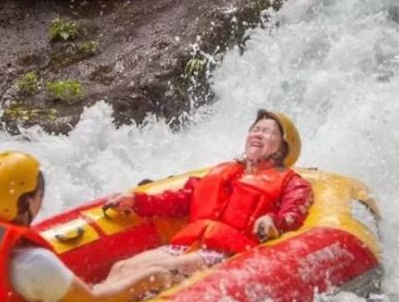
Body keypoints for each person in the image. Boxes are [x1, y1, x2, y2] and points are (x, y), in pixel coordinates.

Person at [0, 151, 173, 302]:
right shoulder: (35, 263)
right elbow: (93, 301)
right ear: (26, 202)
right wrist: (151, 277)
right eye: (39, 191)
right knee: (155, 273)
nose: (42, 196)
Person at [100, 109, 313, 284]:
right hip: (189, 246)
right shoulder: (222, 172)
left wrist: (273, 222)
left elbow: (294, 215)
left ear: (283, 147)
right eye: (255, 129)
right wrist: (136, 202)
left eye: (267, 132)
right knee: (122, 267)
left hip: (230, 255)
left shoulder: (292, 182)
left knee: (154, 272)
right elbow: (177, 200)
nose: (258, 134)